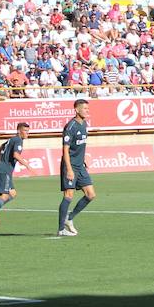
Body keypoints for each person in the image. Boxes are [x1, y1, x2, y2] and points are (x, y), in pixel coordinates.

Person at [57, 98, 97, 237]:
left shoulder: (84, 124)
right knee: (69, 195)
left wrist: (83, 160)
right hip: (70, 166)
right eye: (84, 108)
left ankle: (70, 218)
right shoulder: (71, 126)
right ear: (76, 110)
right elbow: (65, 150)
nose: (87, 111)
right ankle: (61, 228)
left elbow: (80, 146)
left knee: (91, 194)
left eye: (88, 108)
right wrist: (68, 169)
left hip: (80, 166)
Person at [0, 123, 31, 225]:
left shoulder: (11, 139)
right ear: (19, 131)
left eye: (28, 131)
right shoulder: (18, 140)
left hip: (2, 169)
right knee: (5, 195)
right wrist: (27, 165)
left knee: (12, 193)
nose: (28, 133)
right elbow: (16, 155)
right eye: (25, 131)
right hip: (4, 171)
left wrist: (1, 162)